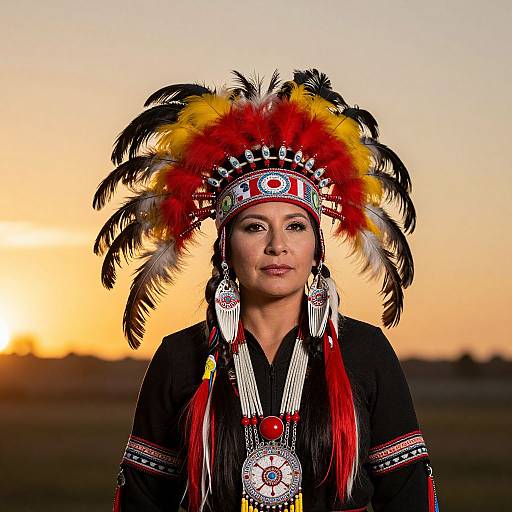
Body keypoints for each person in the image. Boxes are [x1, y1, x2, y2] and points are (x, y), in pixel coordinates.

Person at [93, 69, 440, 512]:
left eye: (295, 227)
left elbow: (409, 495)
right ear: (225, 247)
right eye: (255, 227)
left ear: (316, 247)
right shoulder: (181, 357)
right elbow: (141, 501)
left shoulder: (364, 351)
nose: (278, 246)